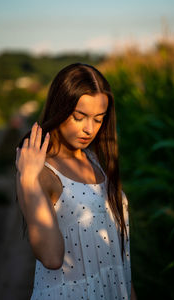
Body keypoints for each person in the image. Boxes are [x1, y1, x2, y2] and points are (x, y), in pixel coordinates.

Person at [16, 63, 137, 300]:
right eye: (79, 117)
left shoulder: (95, 158)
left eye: (98, 119)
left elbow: (118, 254)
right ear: (60, 108)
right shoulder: (40, 170)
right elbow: (51, 258)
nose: (89, 129)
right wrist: (28, 179)